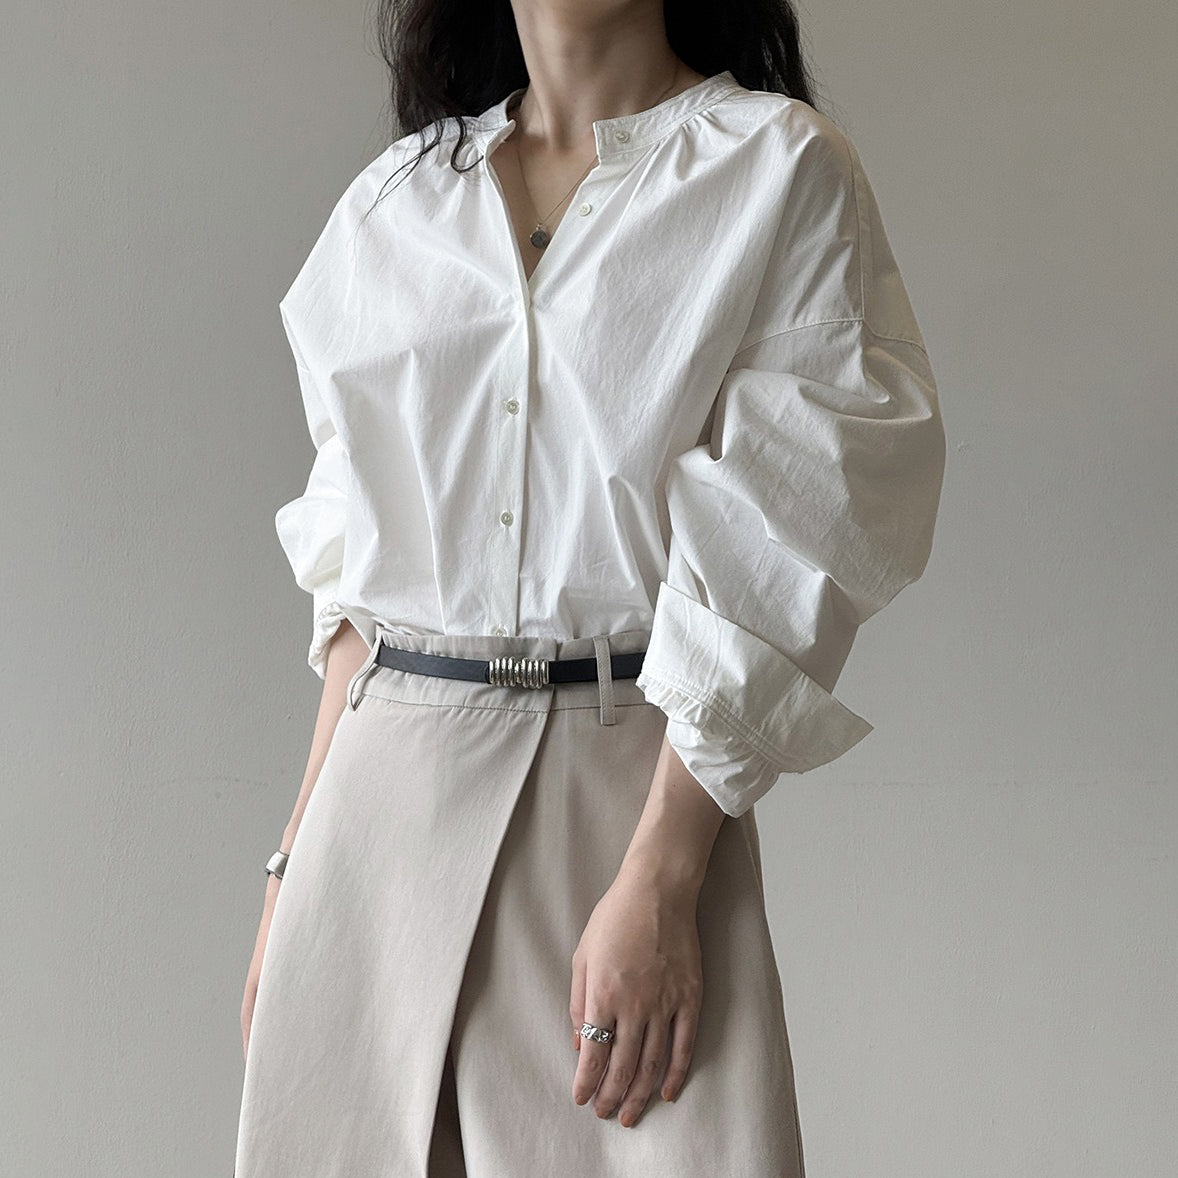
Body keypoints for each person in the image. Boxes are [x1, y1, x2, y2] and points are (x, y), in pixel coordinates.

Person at [233, 1, 947, 1174]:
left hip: (626, 801)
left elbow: (797, 522)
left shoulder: (773, 169)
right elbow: (358, 598)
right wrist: (291, 872)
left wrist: (664, 870)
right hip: (373, 825)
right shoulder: (394, 202)